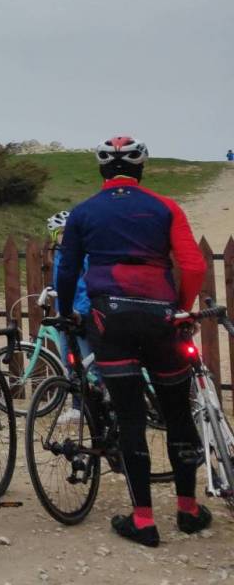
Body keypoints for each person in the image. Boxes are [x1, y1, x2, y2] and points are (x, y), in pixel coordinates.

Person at [57, 136, 211, 547]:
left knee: (129, 419)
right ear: (141, 169)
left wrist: (67, 312)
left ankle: (143, 520)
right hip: (161, 316)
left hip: (110, 319)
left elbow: (67, 270)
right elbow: (193, 265)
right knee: (178, 413)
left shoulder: (83, 212)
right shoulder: (166, 207)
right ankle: (188, 509)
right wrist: (181, 307)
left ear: (102, 171)